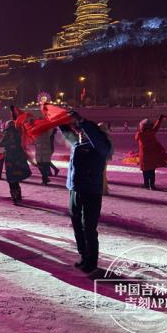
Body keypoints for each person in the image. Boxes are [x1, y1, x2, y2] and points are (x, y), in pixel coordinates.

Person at [60, 111, 110, 274]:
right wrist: (59, 120)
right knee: (76, 224)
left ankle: (92, 261)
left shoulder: (101, 148)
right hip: (74, 189)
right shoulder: (77, 145)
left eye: (83, 132)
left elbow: (96, 137)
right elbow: (68, 133)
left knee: (88, 226)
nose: (80, 134)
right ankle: (83, 255)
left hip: (91, 191)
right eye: (79, 132)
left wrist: (82, 121)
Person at [0, 121, 31, 203]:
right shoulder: (17, 133)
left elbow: (1, 144)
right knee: (16, 177)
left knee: (10, 178)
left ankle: (14, 197)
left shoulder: (7, 133)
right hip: (18, 157)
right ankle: (19, 195)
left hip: (10, 157)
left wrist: (0, 138)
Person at [135, 115, 167, 190]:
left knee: (145, 170)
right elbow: (157, 126)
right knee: (152, 170)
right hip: (152, 154)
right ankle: (152, 185)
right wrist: (159, 119)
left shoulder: (140, 134)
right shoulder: (152, 132)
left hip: (144, 154)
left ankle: (146, 184)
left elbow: (136, 138)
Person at [97, 123, 114, 195]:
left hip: (101, 157)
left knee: (101, 174)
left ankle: (103, 190)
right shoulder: (107, 136)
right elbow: (112, 148)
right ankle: (104, 188)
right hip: (104, 157)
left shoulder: (101, 137)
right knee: (103, 173)